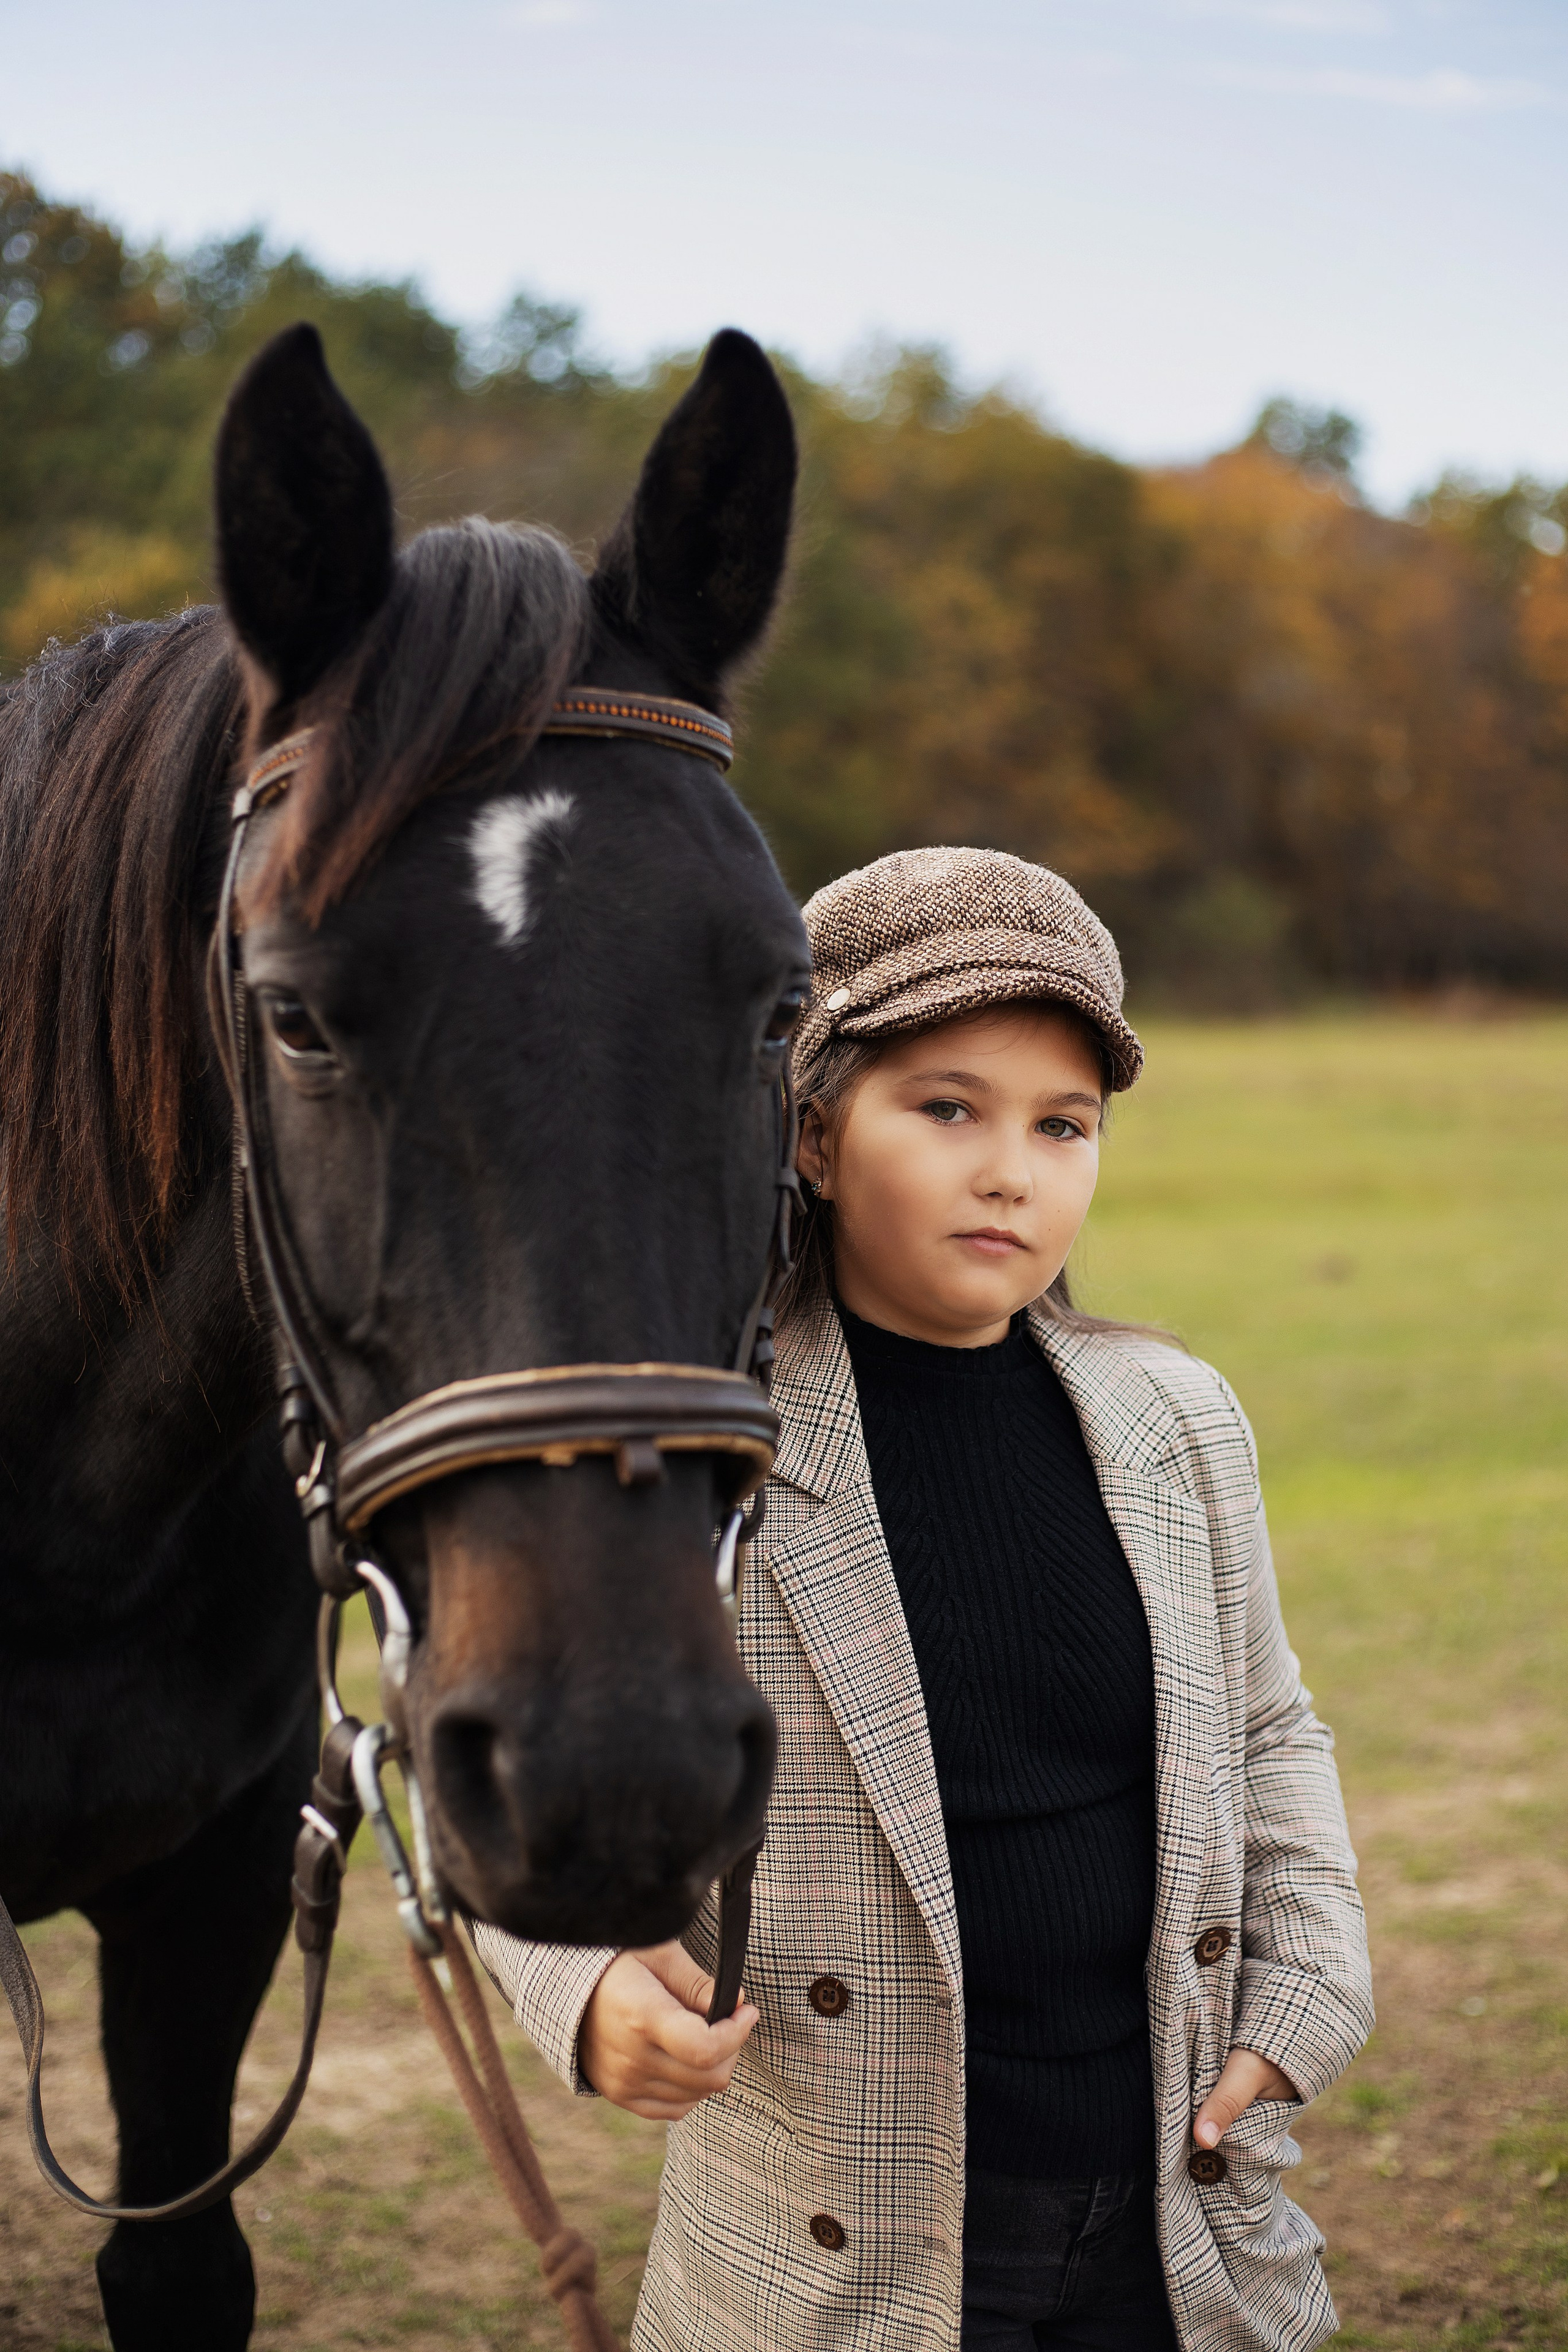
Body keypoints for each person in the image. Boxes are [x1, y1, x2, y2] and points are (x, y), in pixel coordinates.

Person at [475, 846, 1373, 2352]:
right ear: (815, 1138)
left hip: (1176, 2203)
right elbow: (512, 1775)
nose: (1010, 1169)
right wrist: (574, 1982)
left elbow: (1270, 1725)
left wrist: (1306, 1994)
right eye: (945, 1108)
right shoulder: (690, 1456)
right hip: (831, 2251)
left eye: (1060, 1124)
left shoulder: (1176, 1418)